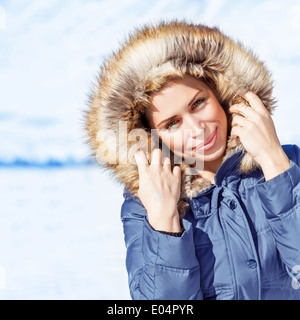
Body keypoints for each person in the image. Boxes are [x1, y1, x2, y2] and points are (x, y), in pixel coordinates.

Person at [85, 20, 300, 300]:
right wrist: (164, 222)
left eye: (198, 103)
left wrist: (274, 163)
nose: (198, 129)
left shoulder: (289, 162)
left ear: (221, 94)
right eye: (172, 123)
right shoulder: (144, 202)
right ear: (152, 137)